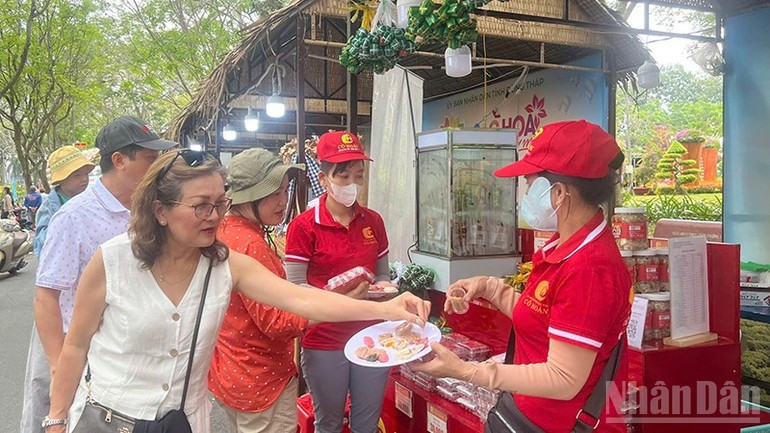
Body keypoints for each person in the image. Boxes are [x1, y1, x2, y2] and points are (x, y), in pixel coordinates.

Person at [43, 149, 429, 433]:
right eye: (201, 206)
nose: (215, 215)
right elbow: (76, 346)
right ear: (160, 210)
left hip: (185, 420)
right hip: (111, 419)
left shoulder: (226, 262)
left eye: (220, 203)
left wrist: (390, 309)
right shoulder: (112, 261)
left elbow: (302, 298)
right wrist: (56, 421)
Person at [412, 120, 632, 433]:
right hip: (526, 413)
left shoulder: (590, 268)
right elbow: (543, 318)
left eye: (529, 184)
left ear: (558, 193)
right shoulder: (563, 246)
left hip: (556, 424)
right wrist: (490, 288)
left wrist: (467, 370)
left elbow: (563, 379)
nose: (523, 195)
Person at [21, 116, 175, 433]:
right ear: (119, 160)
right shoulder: (74, 218)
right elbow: (46, 296)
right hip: (72, 342)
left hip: (120, 348)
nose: (158, 165)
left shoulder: (151, 210)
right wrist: (58, 364)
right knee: (54, 418)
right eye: (150, 157)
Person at [285, 131, 397, 433]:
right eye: (343, 176)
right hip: (324, 340)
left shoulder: (373, 221)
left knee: (366, 423)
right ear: (324, 179)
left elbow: (383, 274)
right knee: (329, 423)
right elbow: (294, 290)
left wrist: (382, 290)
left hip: (371, 335)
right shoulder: (304, 226)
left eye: (357, 176)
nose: (351, 185)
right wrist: (346, 301)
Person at [209, 148, 321, 433]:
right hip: (262, 380)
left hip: (231, 372)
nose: (283, 201)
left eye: (285, 190)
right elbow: (277, 322)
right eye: (273, 193)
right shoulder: (251, 245)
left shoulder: (222, 230)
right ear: (250, 197)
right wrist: (330, 307)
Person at [33, 146, 95, 256]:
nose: (84, 179)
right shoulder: (49, 208)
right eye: (77, 175)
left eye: (86, 174)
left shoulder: (92, 200)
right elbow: (42, 241)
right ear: (61, 179)